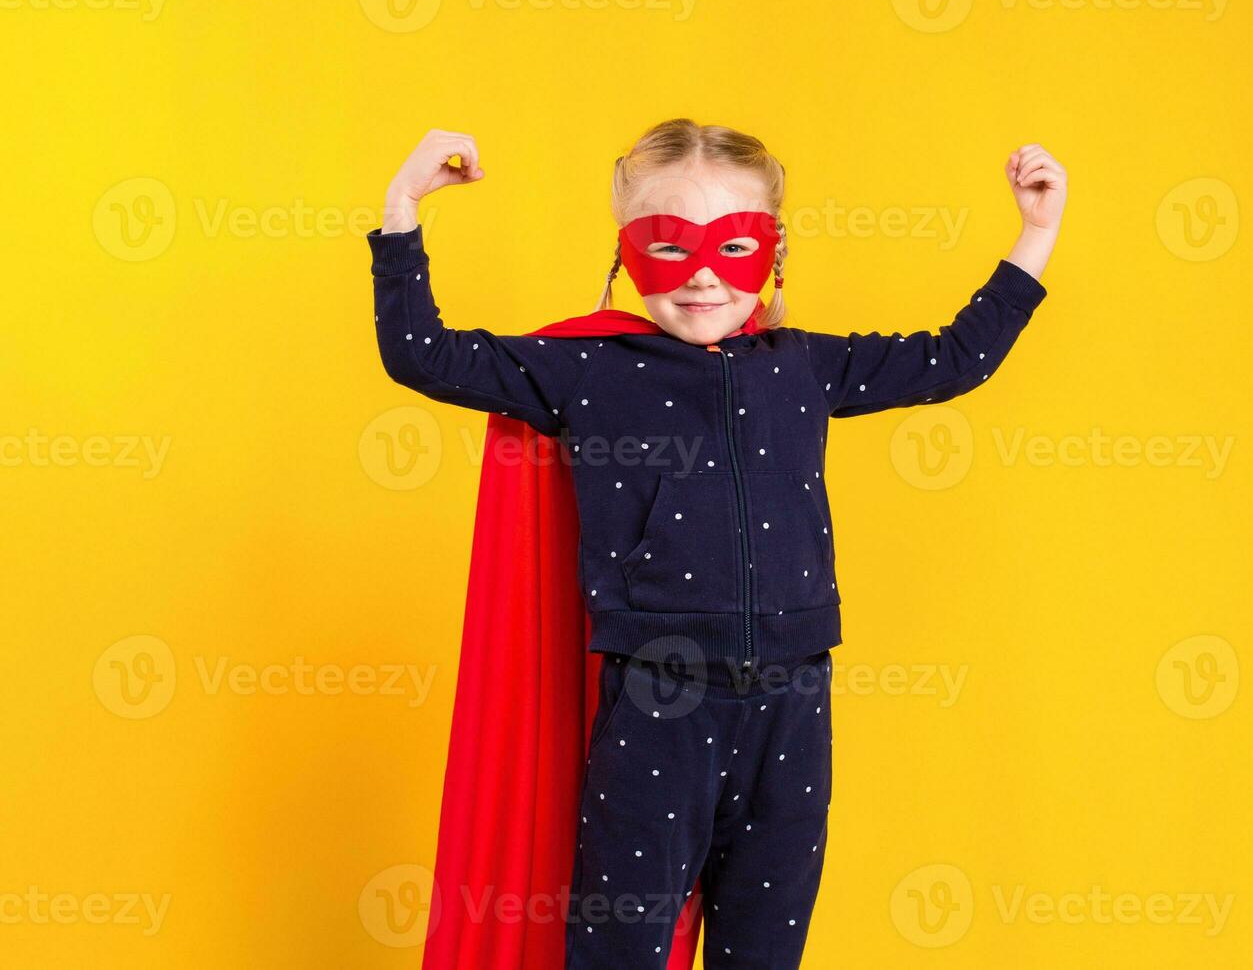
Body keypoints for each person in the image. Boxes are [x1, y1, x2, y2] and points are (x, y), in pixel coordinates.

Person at [367, 118, 1064, 969]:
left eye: (731, 244)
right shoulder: (587, 369)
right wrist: (402, 210)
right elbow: (422, 355)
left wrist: (1036, 232)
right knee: (617, 947)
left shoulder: (805, 365)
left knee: (765, 949)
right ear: (626, 253)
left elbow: (956, 358)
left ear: (771, 254)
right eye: (668, 247)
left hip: (793, 701)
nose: (700, 274)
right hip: (657, 702)